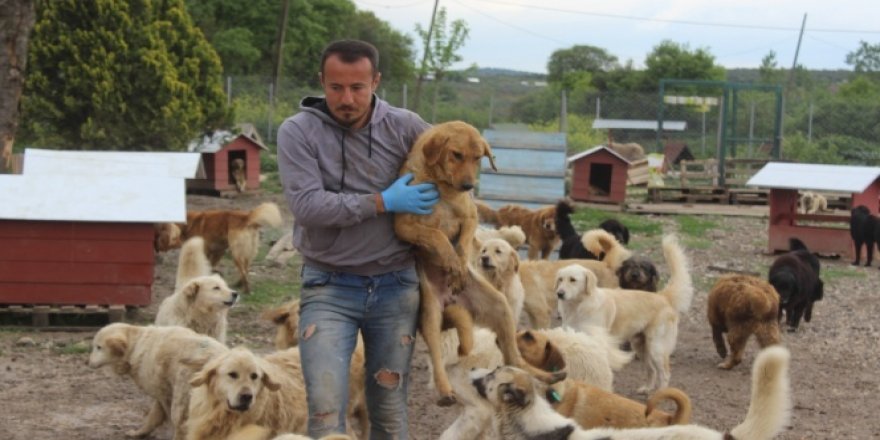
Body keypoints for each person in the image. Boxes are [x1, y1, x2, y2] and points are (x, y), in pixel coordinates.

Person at [277, 39, 438, 439]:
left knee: (388, 408)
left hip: (395, 286)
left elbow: (454, 163)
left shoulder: (405, 126)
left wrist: (445, 201)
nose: (346, 98)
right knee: (326, 408)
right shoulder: (298, 132)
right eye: (336, 87)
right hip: (328, 285)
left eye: (357, 88)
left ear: (376, 81)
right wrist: (382, 201)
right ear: (321, 82)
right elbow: (309, 207)